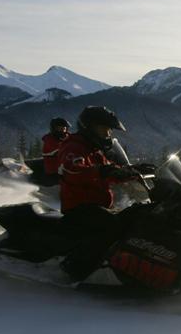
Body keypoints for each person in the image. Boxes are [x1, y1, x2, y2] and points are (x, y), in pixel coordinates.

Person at [57, 106, 154, 281]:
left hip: (96, 204)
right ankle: (74, 267)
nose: (107, 134)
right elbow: (75, 170)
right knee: (110, 225)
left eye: (109, 130)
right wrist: (103, 171)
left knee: (133, 217)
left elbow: (109, 171)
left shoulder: (92, 149)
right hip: (78, 207)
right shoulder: (74, 147)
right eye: (104, 129)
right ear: (89, 127)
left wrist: (131, 171)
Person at [40, 117, 71, 184]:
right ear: (54, 129)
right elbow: (60, 149)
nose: (63, 131)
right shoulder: (49, 140)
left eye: (64, 129)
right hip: (54, 173)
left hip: (66, 170)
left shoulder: (67, 137)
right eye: (60, 129)